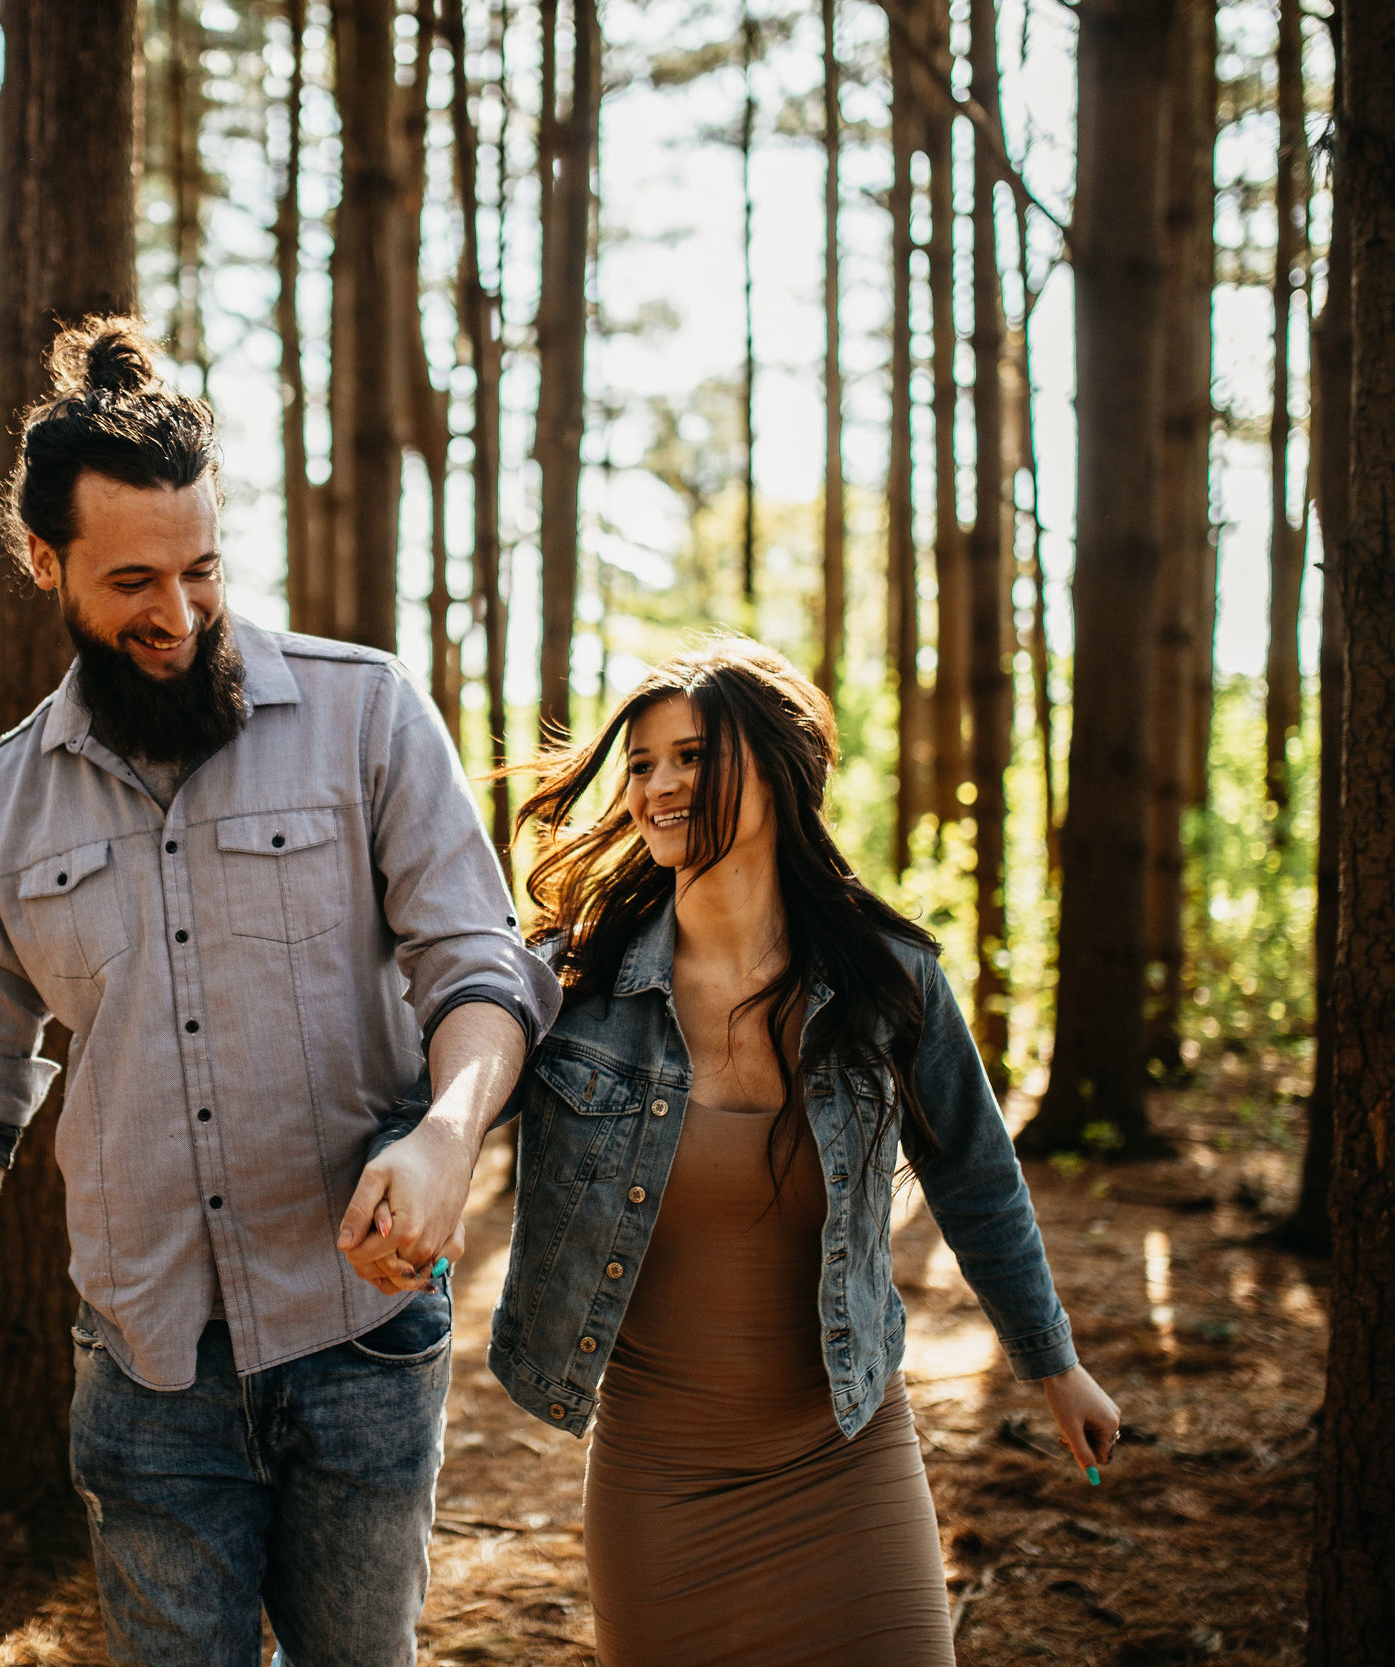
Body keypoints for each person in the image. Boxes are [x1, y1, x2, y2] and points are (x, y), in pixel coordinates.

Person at [0, 317, 559, 1667]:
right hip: (145, 1368)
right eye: (131, 582)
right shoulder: (1, 804)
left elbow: (477, 961)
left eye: (202, 569)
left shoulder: (368, 713)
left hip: (360, 1339)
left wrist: (447, 1127)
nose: (176, 614)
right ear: (44, 564)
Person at [462, 639, 1119, 1667]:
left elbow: (975, 1174)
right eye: (640, 762)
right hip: (658, 1478)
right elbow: (449, 1108)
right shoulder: (572, 984)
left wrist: (1053, 1362)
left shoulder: (884, 975)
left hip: (843, 1459)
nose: (660, 782)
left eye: (691, 754)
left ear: (772, 768)